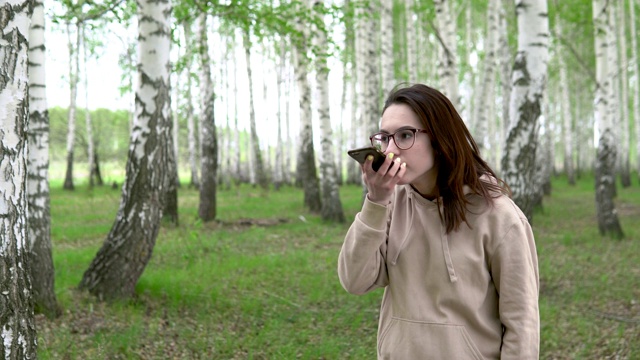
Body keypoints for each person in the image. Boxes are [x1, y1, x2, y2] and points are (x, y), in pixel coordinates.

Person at [338, 84, 539, 359]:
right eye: (385, 138)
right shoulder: (389, 204)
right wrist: (375, 201)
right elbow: (354, 281)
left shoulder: (500, 217)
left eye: (405, 135)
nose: (391, 149)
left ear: (440, 138)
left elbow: (522, 324)